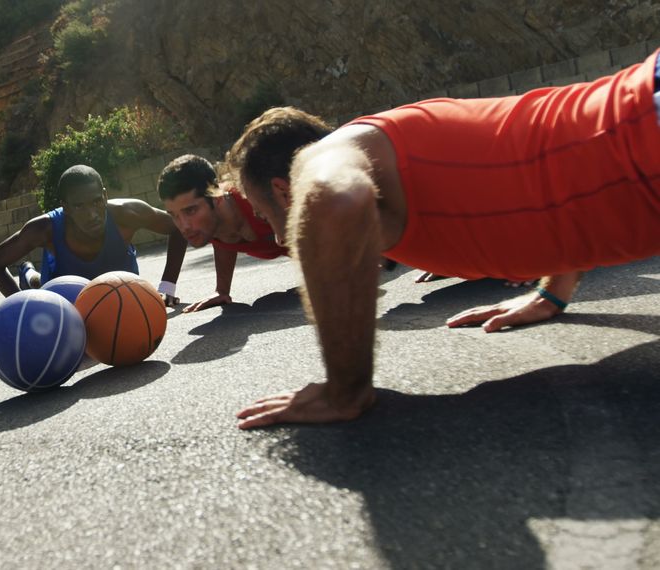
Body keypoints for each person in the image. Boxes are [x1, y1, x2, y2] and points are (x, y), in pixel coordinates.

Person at [231, 48, 660, 428]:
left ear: (286, 190)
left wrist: (344, 392)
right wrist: (553, 292)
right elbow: (549, 170)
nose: (271, 231)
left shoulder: (327, 156)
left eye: (263, 211)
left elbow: (336, 199)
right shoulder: (393, 191)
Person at [0, 164, 188, 305]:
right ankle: (29, 275)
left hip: (118, 293)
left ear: (105, 196)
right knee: (39, 286)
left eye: (97, 202)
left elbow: (179, 226)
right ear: (66, 208)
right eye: (79, 206)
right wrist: (23, 310)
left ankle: (32, 276)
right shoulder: (45, 229)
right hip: (69, 297)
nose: (92, 215)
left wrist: (167, 287)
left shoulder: (127, 213)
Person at [157, 154, 289, 312]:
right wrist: (221, 290)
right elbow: (223, 240)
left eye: (191, 210)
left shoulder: (259, 200)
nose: (184, 226)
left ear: (216, 197)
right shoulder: (206, 224)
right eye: (174, 215)